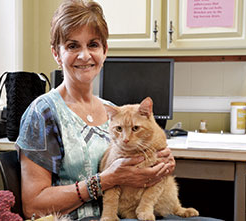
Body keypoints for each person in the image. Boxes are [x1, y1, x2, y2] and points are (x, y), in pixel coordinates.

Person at [15, 0, 222, 220]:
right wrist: (105, 181)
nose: (85, 55)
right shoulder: (42, 113)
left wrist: (159, 165)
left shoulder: (113, 111)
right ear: (57, 53)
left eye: (93, 44)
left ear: (104, 51)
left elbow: (134, 169)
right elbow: (33, 206)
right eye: (73, 46)